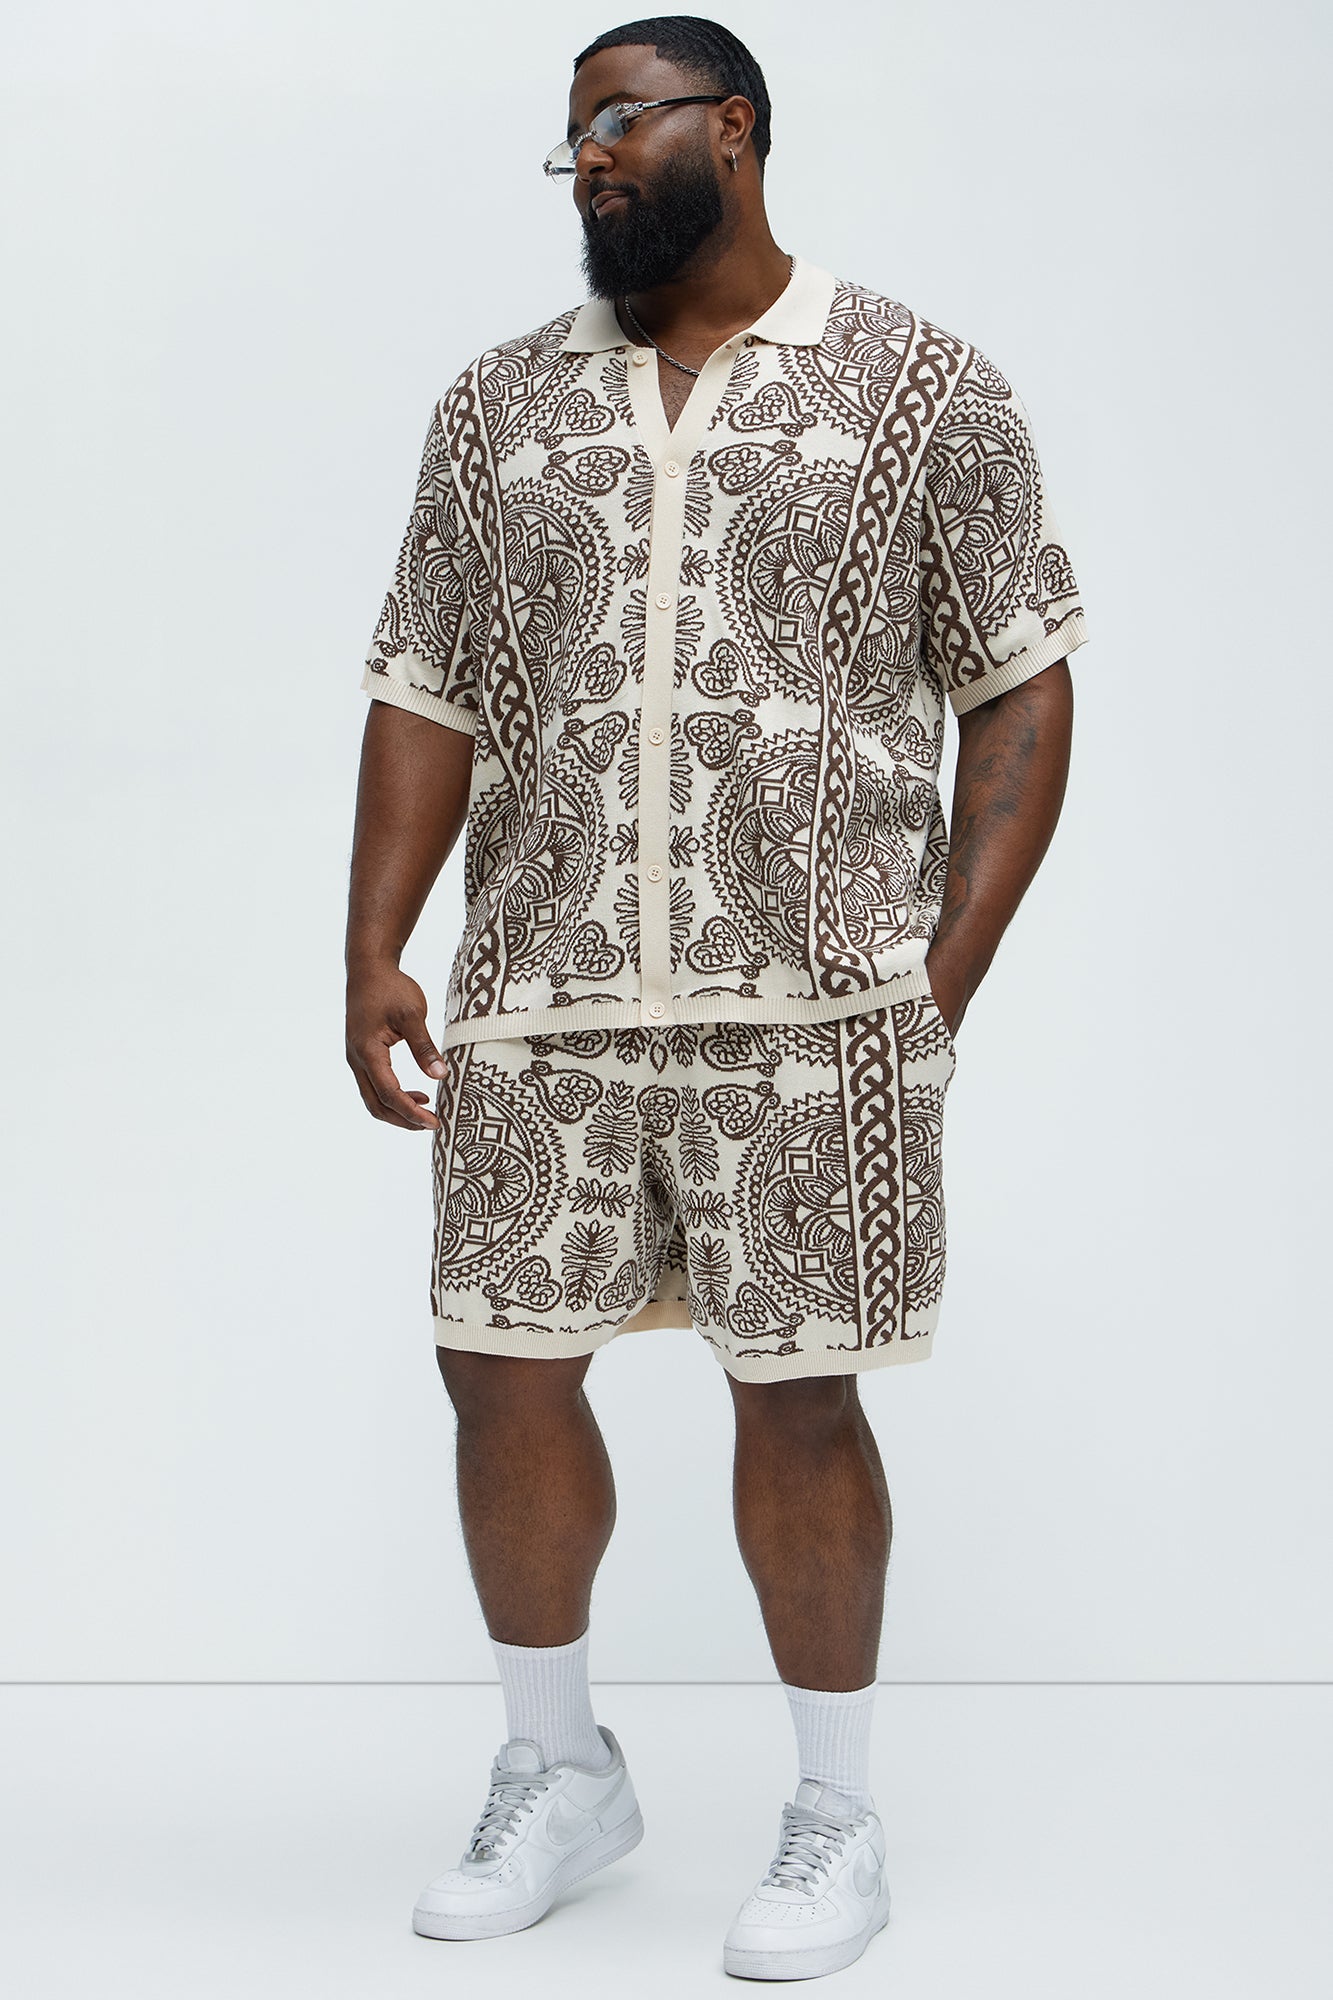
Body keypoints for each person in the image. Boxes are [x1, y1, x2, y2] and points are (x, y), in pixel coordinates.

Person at [345, 13, 1088, 1982]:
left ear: (732, 129)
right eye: (569, 136)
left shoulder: (919, 384)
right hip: (538, 989)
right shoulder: (494, 407)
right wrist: (372, 947)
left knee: (800, 1391)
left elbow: (1020, 682)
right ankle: (555, 1770)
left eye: (618, 120)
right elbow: (423, 688)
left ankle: (834, 1816)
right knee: (498, 1367)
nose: (588, 158)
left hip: (813, 1013)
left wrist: (935, 977)